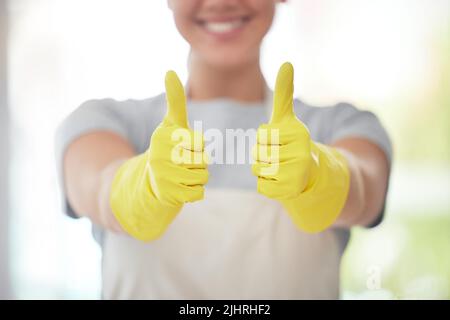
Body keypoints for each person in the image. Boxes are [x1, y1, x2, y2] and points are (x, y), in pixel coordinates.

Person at [55, 0, 391, 299]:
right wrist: (142, 187)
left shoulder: (342, 126)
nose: (220, 2)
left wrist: (319, 178)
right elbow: (98, 188)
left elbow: (363, 189)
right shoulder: (104, 123)